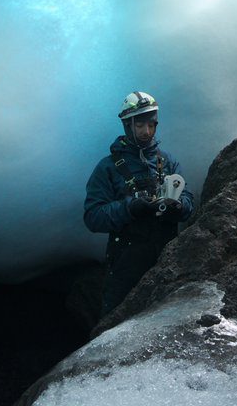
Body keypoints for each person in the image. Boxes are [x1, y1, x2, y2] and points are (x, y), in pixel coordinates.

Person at [84, 90, 195, 316]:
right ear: (127, 125)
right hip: (124, 269)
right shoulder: (108, 168)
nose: (147, 132)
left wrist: (178, 206)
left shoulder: (168, 162)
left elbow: (189, 201)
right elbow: (92, 217)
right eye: (140, 125)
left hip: (166, 264)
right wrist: (130, 207)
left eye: (152, 125)